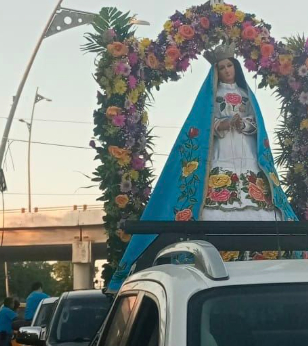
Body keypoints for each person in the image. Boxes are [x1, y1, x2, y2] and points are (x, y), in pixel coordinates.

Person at [109, 44, 298, 290]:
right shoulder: (213, 96)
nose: (228, 70)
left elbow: (257, 127)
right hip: (221, 156)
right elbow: (207, 127)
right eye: (223, 67)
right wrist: (225, 123)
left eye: (230, 65)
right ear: (217, 71)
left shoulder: (246, 94)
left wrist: (242, 125)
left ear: (236, 67)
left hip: (247, 155)